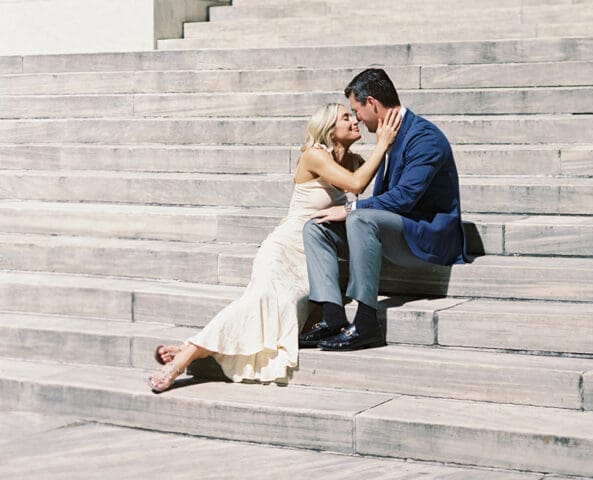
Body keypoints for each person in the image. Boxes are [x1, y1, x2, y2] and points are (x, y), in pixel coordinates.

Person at [148, 101, 399, 393]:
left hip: (314, 261)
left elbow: (368, 185)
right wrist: (382, 143)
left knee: (287, 314)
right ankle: (181, 361)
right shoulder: (313, 156)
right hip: (284, 250)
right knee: (261, 300)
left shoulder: (354, 160)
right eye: (346, 118)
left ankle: (187, 347)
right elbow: (356, 185)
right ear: (330, 130)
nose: (355, 121)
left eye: (353, 116)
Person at [299, 67, 468, 352]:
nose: (357, 119)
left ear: (373, 104)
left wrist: (352, 208)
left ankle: (366, 323)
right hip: (393, 230)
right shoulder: (387, 138)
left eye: (357, 110)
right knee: (316, 228)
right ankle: (333, 317)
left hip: (427, 237)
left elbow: (404, 198)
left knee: (360, 218)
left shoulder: (424, 137)